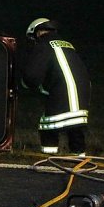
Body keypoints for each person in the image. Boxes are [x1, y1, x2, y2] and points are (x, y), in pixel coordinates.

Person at [20, 18, 91, 156]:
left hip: (62, 93)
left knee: (48, 125)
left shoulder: (43, 45)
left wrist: (25, 84)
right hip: (82, 94)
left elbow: (32, 75)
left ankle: (49, 159)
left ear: (38, 32)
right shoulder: (67, 45)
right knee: (75, 126)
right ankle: (78, 158)